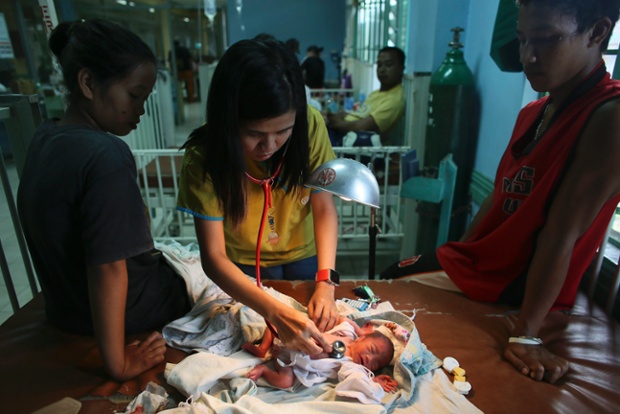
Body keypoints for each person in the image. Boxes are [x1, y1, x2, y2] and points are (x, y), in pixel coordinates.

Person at [381, 0, 620, 384]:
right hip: (482, 263)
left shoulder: (609, 117)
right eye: (523, 40)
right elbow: (498, 198)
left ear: (597, 33)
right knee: (390, 274)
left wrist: (526, 333)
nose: (529, 56)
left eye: (546, 39)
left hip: (516, 284)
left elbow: (562, 235)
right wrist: (456, 256)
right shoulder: (534, 112)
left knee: (388, 293)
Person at [16, 19, 191, 382]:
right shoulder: (105, 155)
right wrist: (118, 364)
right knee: (215, 281)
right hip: (133, 314)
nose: (140, 110)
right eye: (134, 95)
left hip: (65, 310)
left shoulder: (45, 138)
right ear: (88, 83)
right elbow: (109, 268)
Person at [176, 37, 340, 356]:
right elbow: (213, 258)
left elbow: (323, 206)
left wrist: (326, 282)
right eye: (254, 134)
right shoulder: (203, 156)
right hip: (239, 268)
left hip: (306, 258)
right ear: (227, 121)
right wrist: (273, 310)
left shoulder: (311, 126)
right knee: (253, 348)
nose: (269, 146)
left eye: (283, 131)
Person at [245, 317, 398, 393]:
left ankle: (264, 369)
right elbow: (344, 320)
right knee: (275, 321)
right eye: (371, 349)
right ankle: (263, 349)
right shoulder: (348, 336)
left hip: (289, 361)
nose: (369, 359)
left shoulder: (351, 365)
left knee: (285, 381)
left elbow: (358, 380)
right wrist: (360, 331)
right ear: (362, 339)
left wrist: (374, 381)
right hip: (291, 338)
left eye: (375, 364)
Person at [326, 46, 405, 146]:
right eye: (379, 65)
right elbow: (363, 115)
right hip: (343, 132)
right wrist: (344, 115)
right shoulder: (376, 93)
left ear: (401, 68)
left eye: (388, 65)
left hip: (348, 140)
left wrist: (336, 123)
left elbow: (362, 127)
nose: (382, 70)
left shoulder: (394, 100)